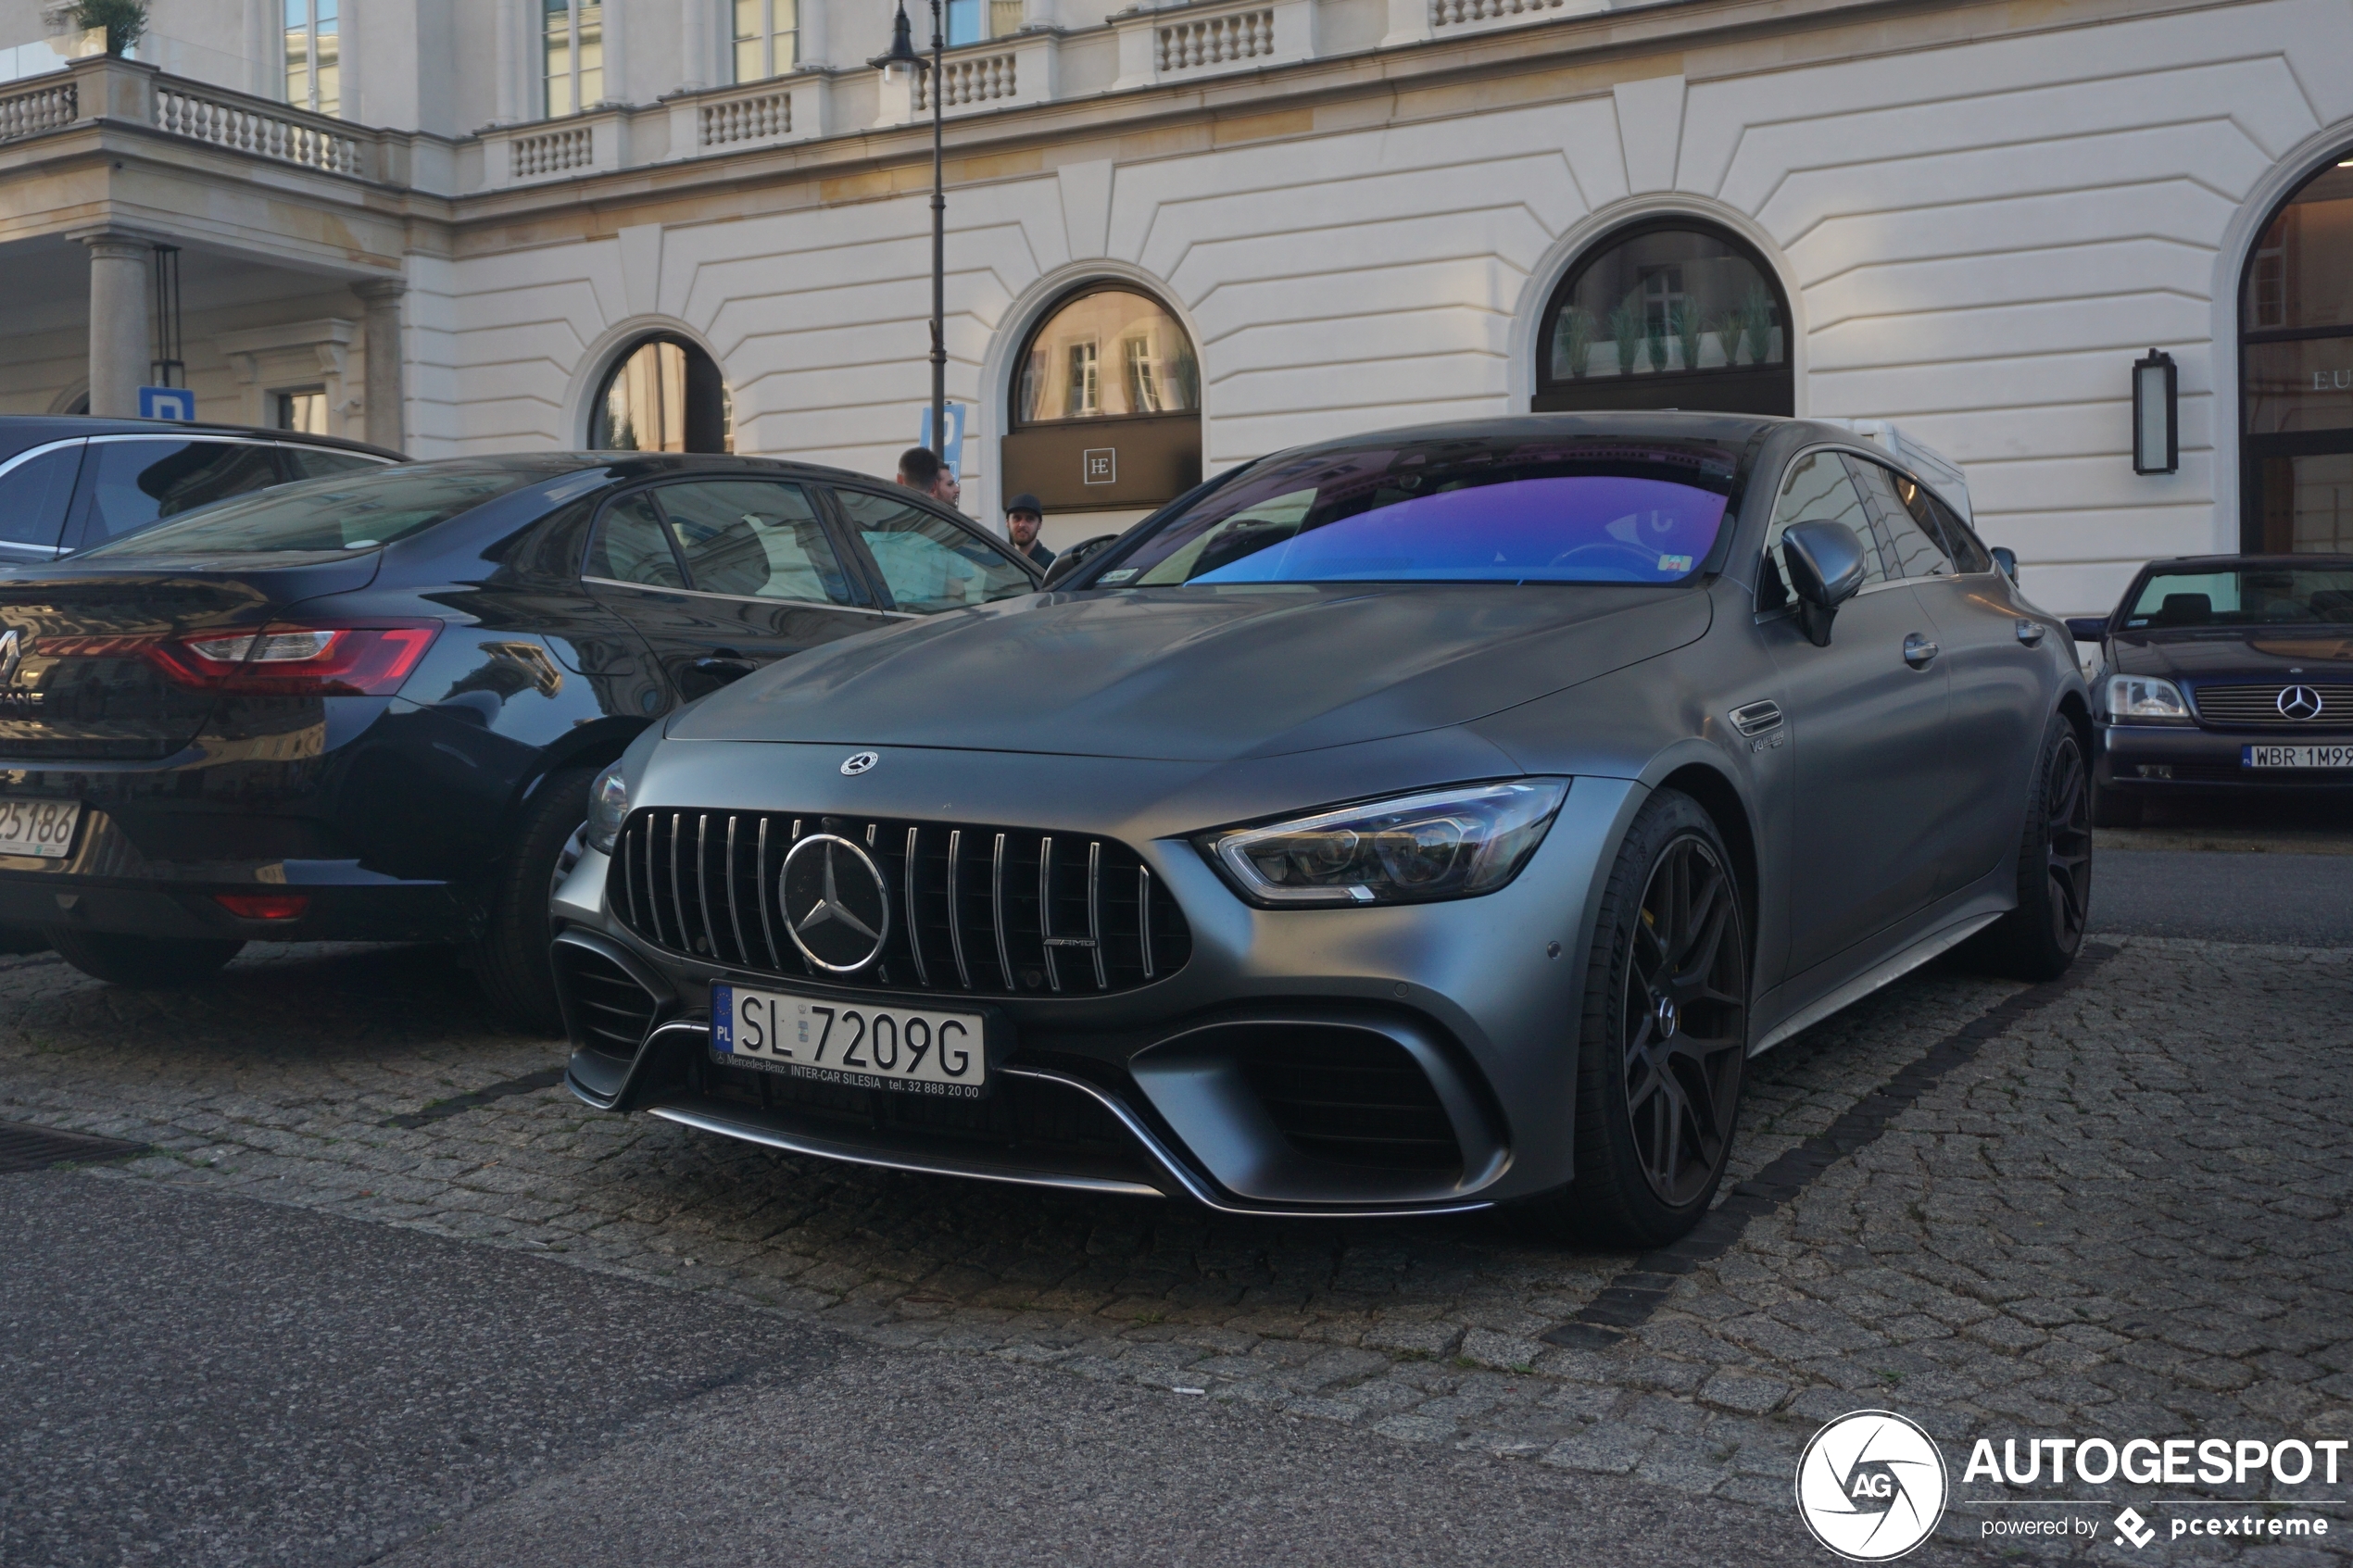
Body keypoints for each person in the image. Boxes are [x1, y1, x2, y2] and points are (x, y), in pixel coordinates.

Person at [896, 445, 962, 512]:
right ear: (934, 486)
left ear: (899, 480)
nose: (958, 490)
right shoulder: (944, 521)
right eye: (949, 484)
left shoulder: (889, 511)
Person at [1004, 492, 1053, 570]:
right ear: (1007, 522)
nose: (1022, 524)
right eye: (1017, 518)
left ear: (1039, 524)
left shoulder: (1051, 565)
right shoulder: (1002, 560)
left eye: (1030, 519)